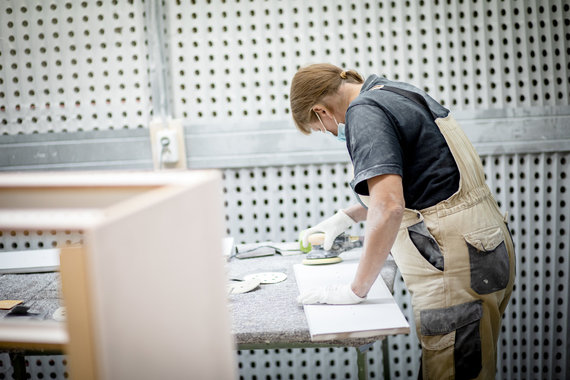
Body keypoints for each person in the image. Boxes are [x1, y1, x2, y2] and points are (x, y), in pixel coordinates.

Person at [290, 63, 515, 379]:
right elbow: (426, 184)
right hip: (487, 246)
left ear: (321, 111)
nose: (330, 134)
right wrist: (345, 217)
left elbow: (390, 206)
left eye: (321, 129)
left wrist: (356, 290)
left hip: (454, 264)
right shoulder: (397, 91)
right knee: (471, 367)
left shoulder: (363, 112)